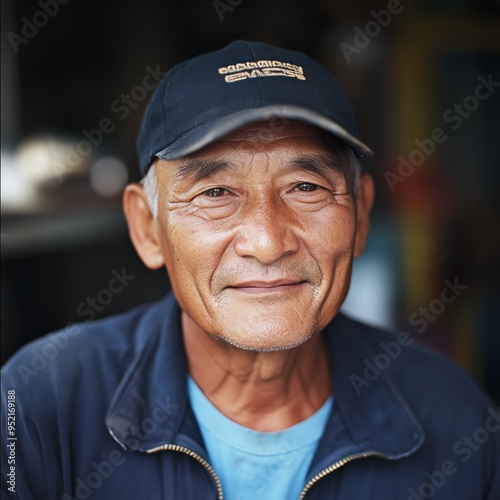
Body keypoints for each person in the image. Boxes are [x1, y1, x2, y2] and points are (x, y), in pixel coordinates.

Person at [1, 40, 499, 500]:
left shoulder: (453, 417)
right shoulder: (39, 403)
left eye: (306, 187)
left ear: (361, 217)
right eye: (215, 193)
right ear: (147, 228)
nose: (267, 242)